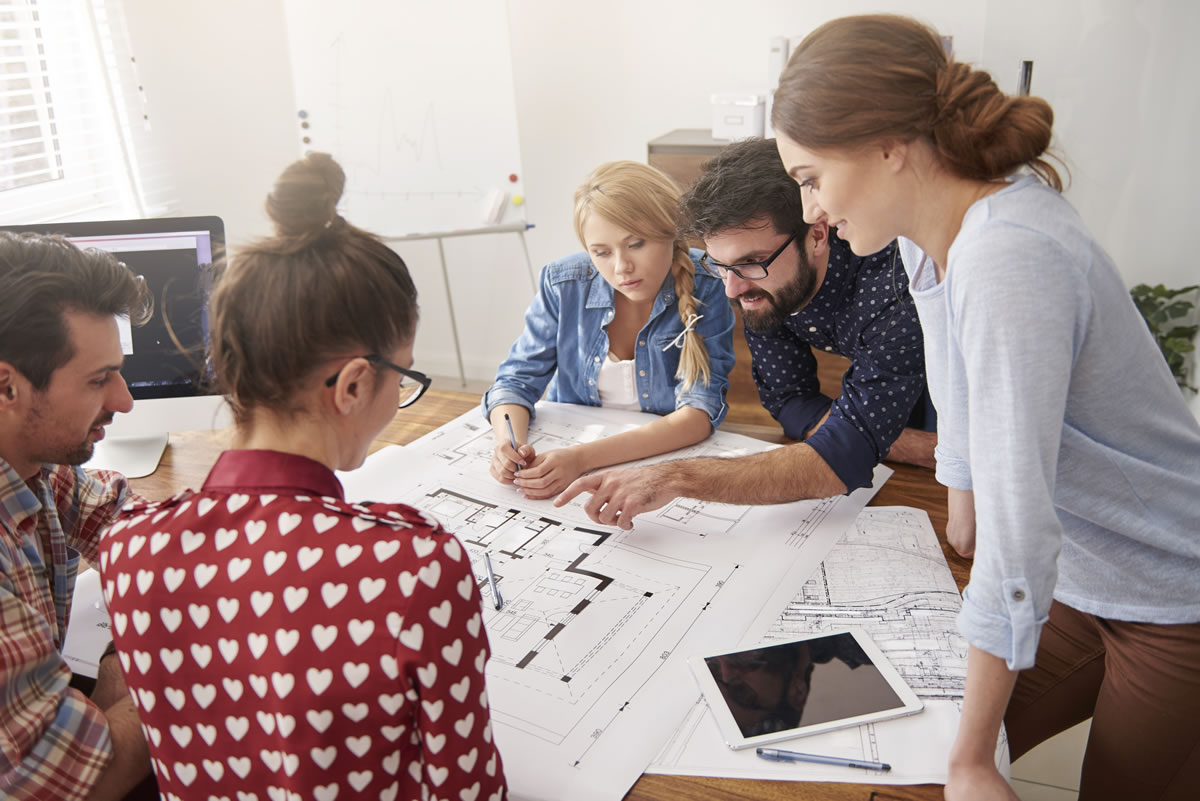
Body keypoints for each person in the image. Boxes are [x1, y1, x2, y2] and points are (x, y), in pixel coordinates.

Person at [771, 14, 1200, 801]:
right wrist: (959, 489)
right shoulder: (937, 228)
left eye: (810, 178)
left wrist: (973, 758)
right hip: (1087, 569)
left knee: (1021, 771)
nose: (811, 213)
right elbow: (954, 368)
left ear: (888, 147)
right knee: (926, 766)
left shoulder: (1009, 256)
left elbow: (1020, 523)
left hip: (1176, 593)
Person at [99, 153, 507, 801]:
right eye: (404, 375)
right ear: (352, 384)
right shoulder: (415, 567)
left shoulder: (128, 549)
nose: (402, 390)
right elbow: (471, 791)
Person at [552, 139, 934, 528]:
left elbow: (842, 456)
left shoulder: (892, 285)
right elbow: (788, 400)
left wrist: (673, 476)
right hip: (890, 384)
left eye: (751, 262)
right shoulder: (762, 283)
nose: (732, 290)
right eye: (721, 265)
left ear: (818, 235)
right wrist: (862, 432)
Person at [0, 232, 154, 800]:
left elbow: (124, 523)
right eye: (98, 379)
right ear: (6, 386)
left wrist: (120, 664)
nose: (124, 400)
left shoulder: (28, 460)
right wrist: (163, 661)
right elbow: (79, 782)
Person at [483, 160, 736, 499]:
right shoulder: (563, 283)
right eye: (600, 253)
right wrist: (507, 444)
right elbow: (515, 382)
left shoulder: (707, 281)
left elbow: (699, 414)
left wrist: (581, 459)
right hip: (565, 457)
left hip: (652, 465)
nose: (621, 268)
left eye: (636, 244)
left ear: (671, 231)